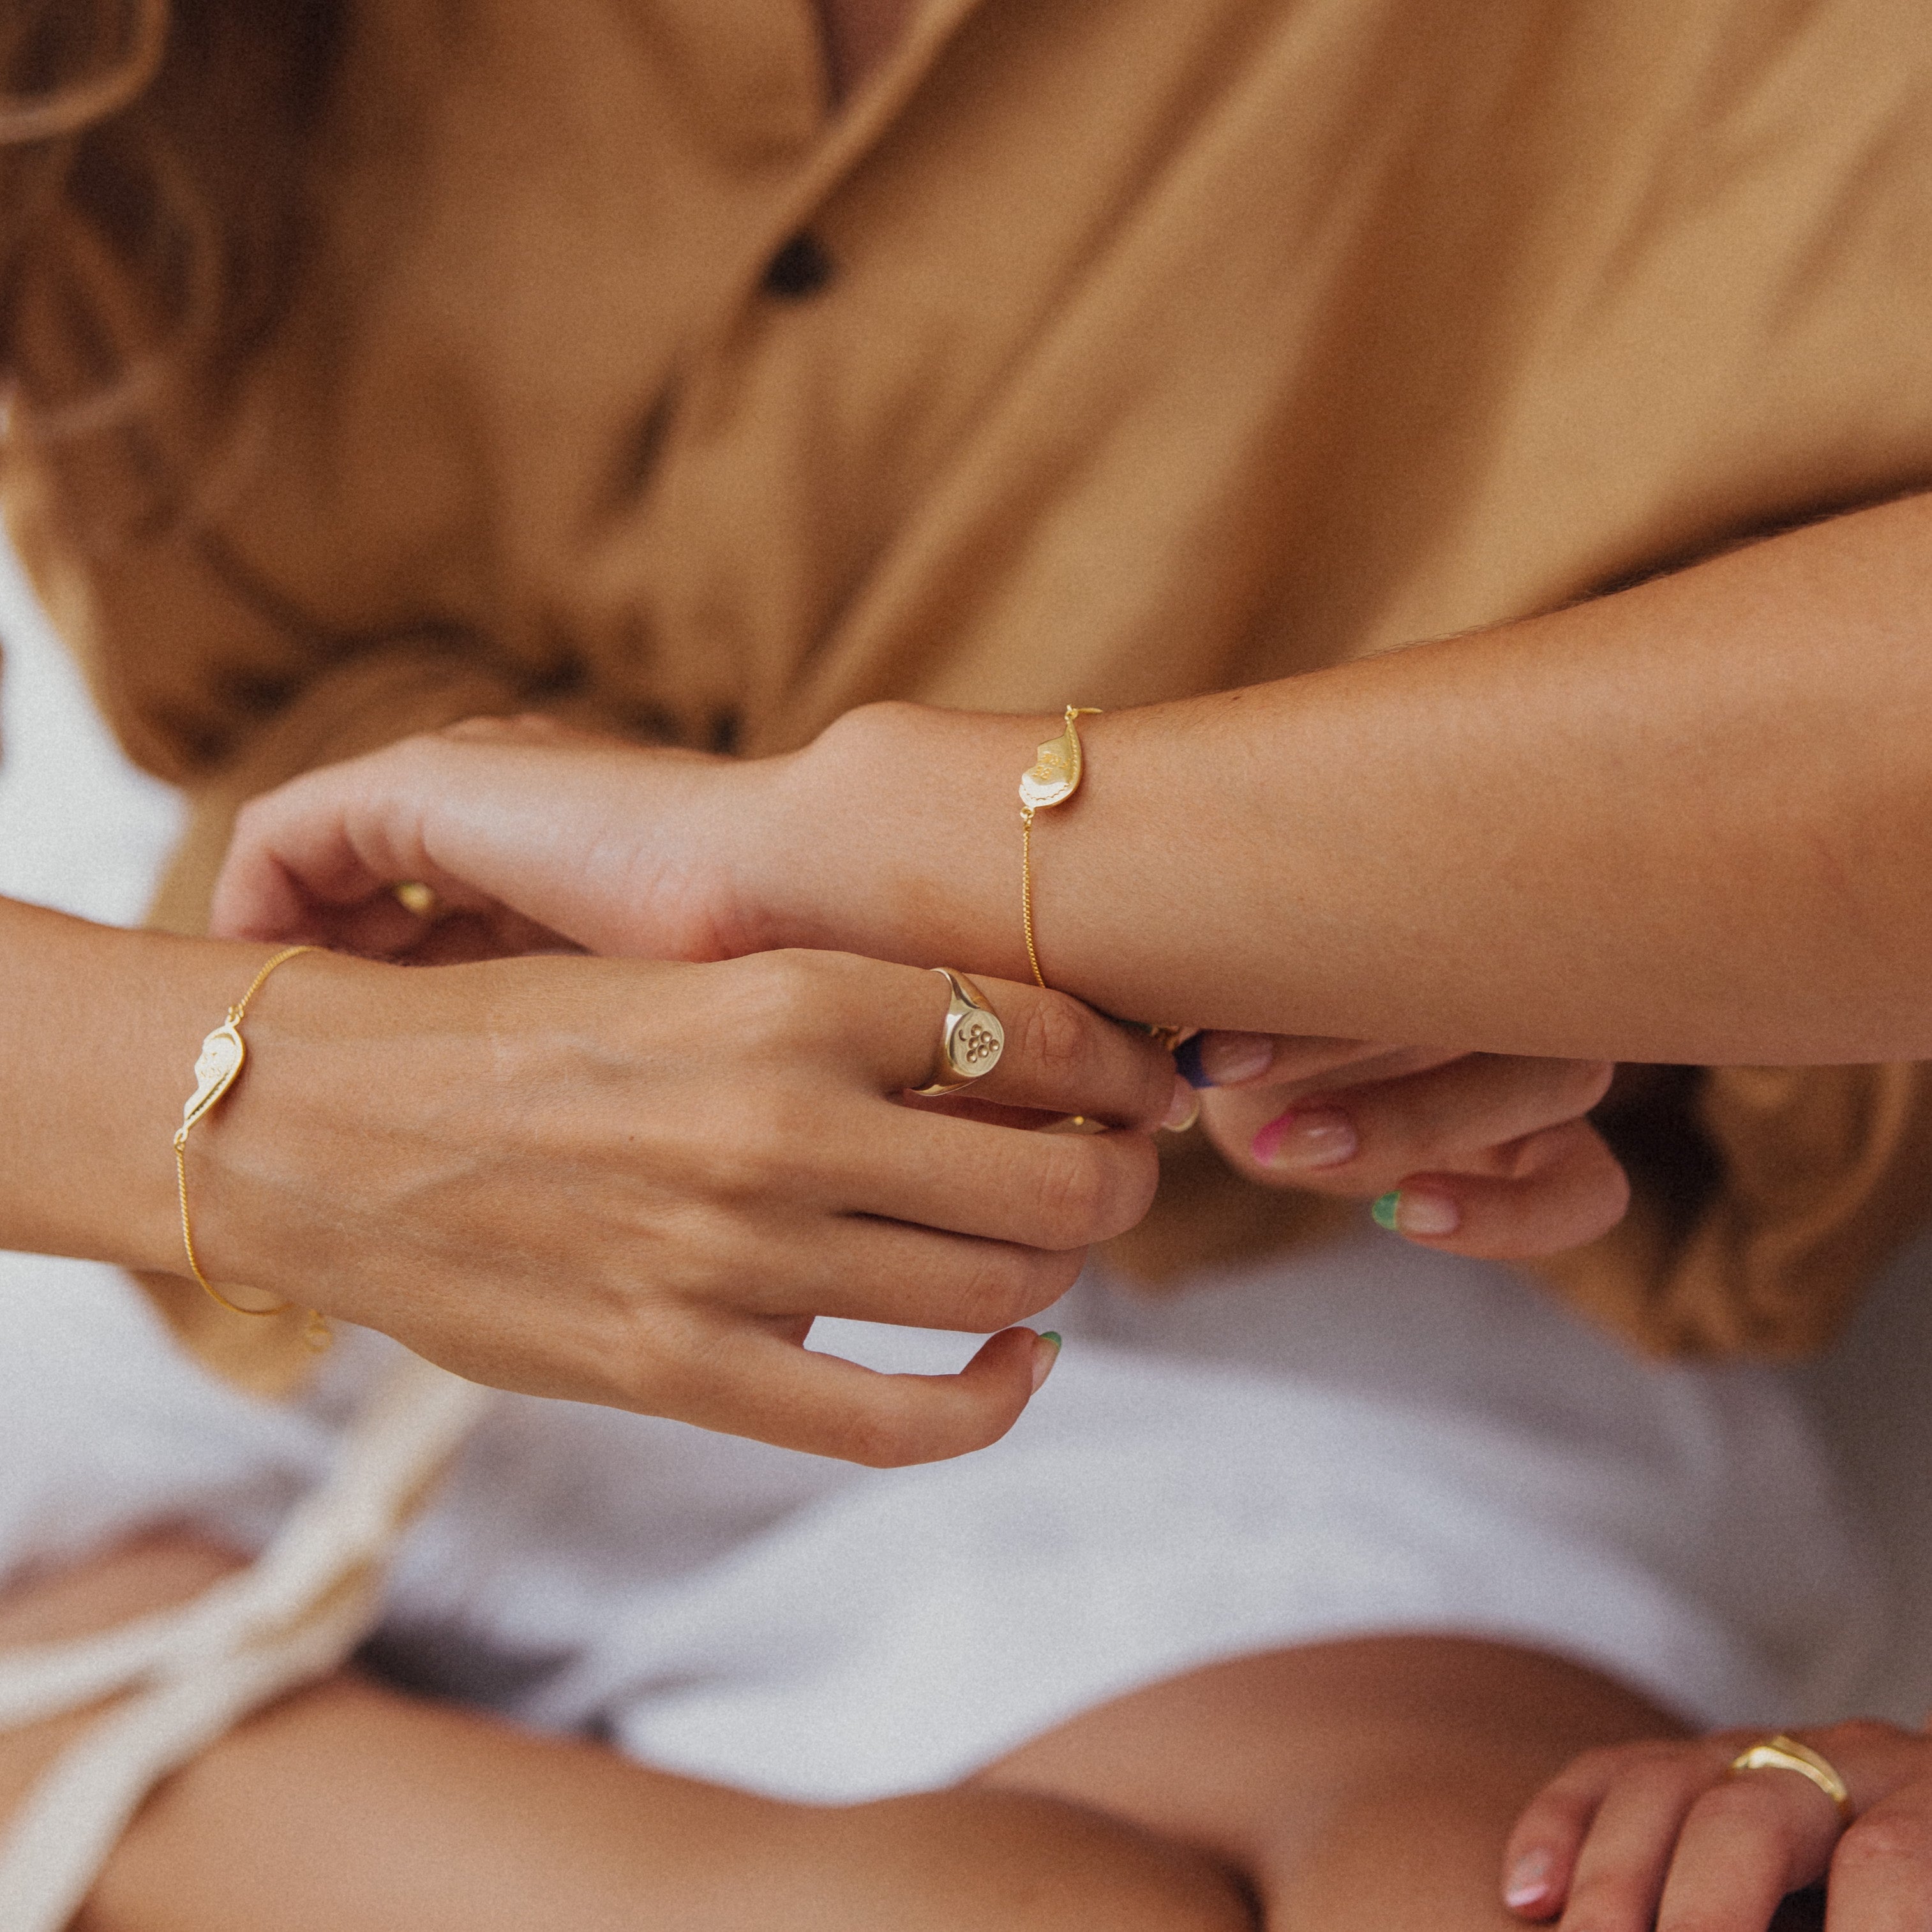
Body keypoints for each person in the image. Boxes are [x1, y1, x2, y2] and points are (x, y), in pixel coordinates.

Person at [3, 0, 1931, 1926]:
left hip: (1272, 1297)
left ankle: (118, 1747)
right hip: (168, 1185)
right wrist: (275, 1116)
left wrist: (978, 856)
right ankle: (108, 1720)